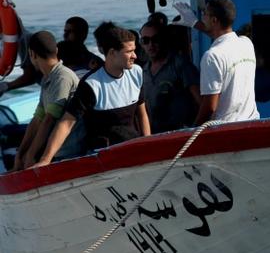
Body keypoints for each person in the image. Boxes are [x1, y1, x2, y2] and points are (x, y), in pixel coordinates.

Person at [33, 25, 151, 167]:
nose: (135, 56)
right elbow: (66, 123)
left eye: (134, 50)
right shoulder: (91, 84)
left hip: (132, 147)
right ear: (112, 53)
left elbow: (142, 113)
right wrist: (45, 159)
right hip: (103, 156)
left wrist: (148, 144)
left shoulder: (136, 72)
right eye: (129, 51)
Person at [176, 0, 259, 124]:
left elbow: (210, 107)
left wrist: (193, 130)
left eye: (204, 13)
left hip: (227, 130)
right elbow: (223, 37)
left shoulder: (211, 57)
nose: (202, 16)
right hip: (252, 123)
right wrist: (195, 23)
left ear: (214, 20)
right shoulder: (246, 43)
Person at [13, 31, 79, 170]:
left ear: (32, 54)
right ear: (56, 50)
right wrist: (21, 154)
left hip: (69, 152)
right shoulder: (47, 78)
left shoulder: (62, 77)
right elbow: (38, 118)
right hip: (55, 150)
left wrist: (31, 155)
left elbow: (49, 119)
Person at [140, 21, 201, 132]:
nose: (151, 44)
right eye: (145, 40)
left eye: (155, 39)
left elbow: (201, 101)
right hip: (155, 135)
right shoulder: (143, 71)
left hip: (180, 134)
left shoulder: (181, 65)